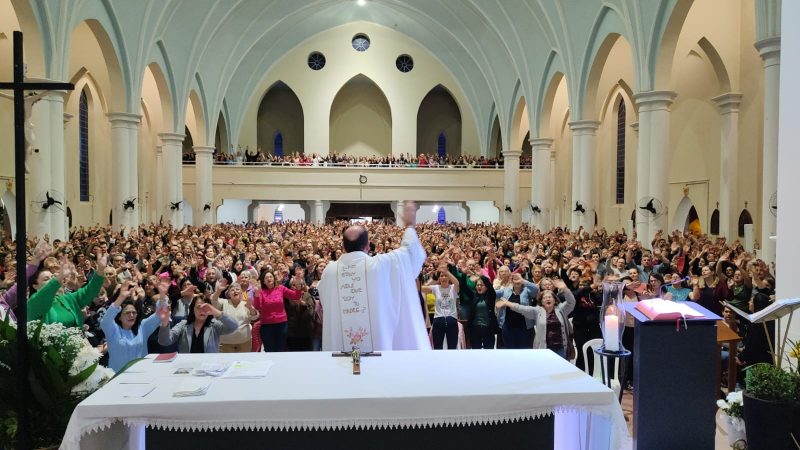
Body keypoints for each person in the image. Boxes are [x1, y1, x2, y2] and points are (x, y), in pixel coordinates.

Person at [319, 201, 429, 351]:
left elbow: (324, 304)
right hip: (380, 354)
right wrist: (409, 226)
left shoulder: (329, 272)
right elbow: (410, 254)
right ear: (368, 245)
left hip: (341, 354)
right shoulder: (381, 265)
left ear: (343, 247)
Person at [495, 279, 575, 358]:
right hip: (543, 349)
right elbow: (521, 308)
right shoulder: (537, 311)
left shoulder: (561, 309)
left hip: (560, 349)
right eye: (545, 298)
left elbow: (571, 302)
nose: (547, 299)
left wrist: (565, 289)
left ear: (554, 300)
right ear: (541, 301)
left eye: (550, 297)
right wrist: (507, 303)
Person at [101, 280, 164, 371]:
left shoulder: (142, 327)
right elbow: (105, 321)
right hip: (117, 377)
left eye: (134, 313)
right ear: (119, 317)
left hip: (140, 375)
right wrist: (121, 298)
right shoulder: (113, 330)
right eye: (127, 313)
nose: (131, 315)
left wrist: (162, 294)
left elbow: (159, 314)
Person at [157, 295, 238, 353]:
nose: (202, 311)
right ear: (192, 309)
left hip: (209, 367)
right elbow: (164, 341)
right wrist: (164, 323)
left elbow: (234, 326)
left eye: (205, 308)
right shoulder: (183, 324)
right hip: (187, 367)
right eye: (198, 307)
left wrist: (216, 312)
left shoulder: (214, 325)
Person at [211, 281, 259, 352]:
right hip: (225, 344)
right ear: (229, 294)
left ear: (241, 293)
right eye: (232, 290)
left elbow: (255, 317)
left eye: (237, 289)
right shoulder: (224, 302)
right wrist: (219, 290)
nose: (235, 291)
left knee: (244, 363)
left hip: (244, 342)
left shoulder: (245, 304)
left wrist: (250, 308)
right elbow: (214, 300)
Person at [495, 272, 539, 349]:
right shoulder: (505, 290)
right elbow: (492, 293)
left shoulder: (527, 291)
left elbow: (536, 289)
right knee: (509, 351)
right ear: (512, 281)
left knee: (524, 351)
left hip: (525, 327)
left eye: (519, 279)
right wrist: (500, 283)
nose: (517, 281)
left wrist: (523, 280)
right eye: (515, 279)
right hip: (508, 327)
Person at [421, 263, 460, 349]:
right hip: (438, 320)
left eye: (446, 276)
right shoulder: (436, 288)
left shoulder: (453, 288)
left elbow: (457, 283)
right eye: (441, 276)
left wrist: (447, 271)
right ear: (439, 278)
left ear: (449, 278)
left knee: (452, 347)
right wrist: (433, 279)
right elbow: (422, 288)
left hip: (451, 319)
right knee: (438, 347)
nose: (444, 278)